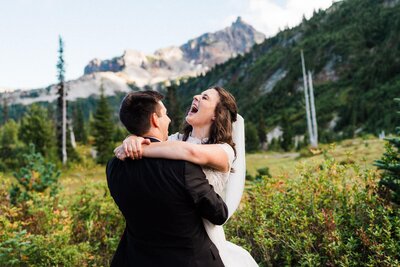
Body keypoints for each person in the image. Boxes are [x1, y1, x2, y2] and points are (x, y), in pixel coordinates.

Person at [115, 86, 258, 267]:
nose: (196, 96)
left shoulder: (225, 150)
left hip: (204, 237)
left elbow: (190, 152)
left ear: (217, 114)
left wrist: (140, 147)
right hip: (172, 233)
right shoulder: (175, 140)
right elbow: (156, 141)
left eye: (205, 98)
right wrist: (132, 139)